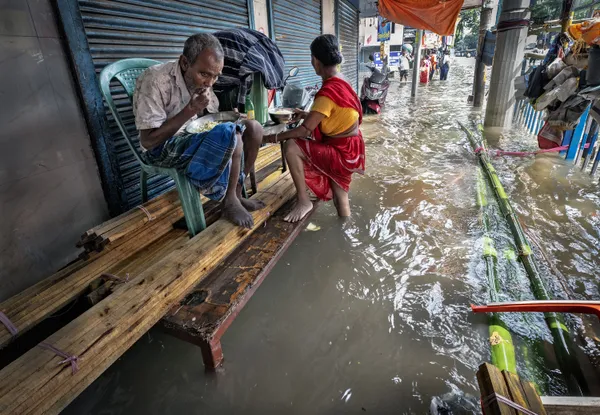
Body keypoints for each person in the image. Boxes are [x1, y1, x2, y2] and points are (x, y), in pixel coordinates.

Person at [133, 33, 264, 229]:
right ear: (185, 63)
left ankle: (236, 192)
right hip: (162, 147)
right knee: (233, 135)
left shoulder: (205, 79)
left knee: (254, 127)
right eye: (204, 74)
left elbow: (209, 117)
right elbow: (148, 142)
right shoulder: (155, 80)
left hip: (192, 135)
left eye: (216, 75)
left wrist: (230, 115)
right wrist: (190, 110)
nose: (210, 83)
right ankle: (228, 202)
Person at [262, 35, 365, 223]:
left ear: (315, 60)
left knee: (291, 146)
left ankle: (303, 201)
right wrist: (306, 114)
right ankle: (344, 235)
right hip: (352, 148)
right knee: (340, 197)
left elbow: (304, 131)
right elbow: (334, 113)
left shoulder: (326, 94)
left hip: (340, 152)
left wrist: (272, 138)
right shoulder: (343, 80)